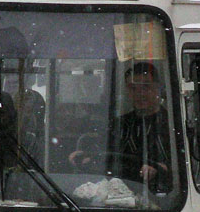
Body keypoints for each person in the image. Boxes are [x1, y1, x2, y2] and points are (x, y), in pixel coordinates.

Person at [70, 61, 173, 192]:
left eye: (146, 87)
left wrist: (159, 168)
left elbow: (179, 167)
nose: (140, 93)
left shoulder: (171, 125)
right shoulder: (119, 124)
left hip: (159, 195)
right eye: (133, 88)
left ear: (158, 88)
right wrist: (85, 156)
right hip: (117, 194)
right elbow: (104, 151)